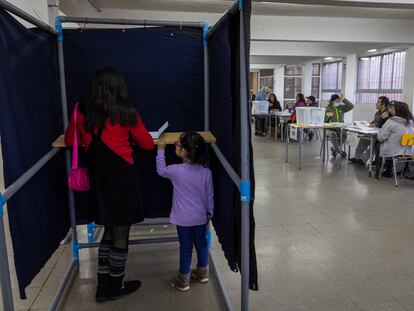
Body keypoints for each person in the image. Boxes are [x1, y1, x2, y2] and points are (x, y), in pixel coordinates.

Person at [65, 66, 154, 302]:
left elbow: (68, 140)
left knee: (107, 230)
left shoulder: (80, 111)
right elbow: (147, 144)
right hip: (123, 180)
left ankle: (102, 288)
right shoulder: (126, 113)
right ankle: (116, 287)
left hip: (98, 182)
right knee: (121, 233)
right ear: (119, 87)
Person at [156, 132, 214, 292]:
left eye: (179, 144)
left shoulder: (176, 170)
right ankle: (203, 273)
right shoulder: (206, 172)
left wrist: (160, 149)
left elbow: (160, 170)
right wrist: (210, 212)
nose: (176, 145)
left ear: (183, 152)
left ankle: (183, 280)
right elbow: (210, 195)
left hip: (183, 219)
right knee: (202, 244)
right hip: (201, 217)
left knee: (186, 247)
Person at [377, 101, 414, 178]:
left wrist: (385, 119)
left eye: (391, 108)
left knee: (377, 144)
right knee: (391, 143)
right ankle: (395, 169)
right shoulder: (410, 122)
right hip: (408, 151)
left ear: (396, 110)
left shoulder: (391, 121)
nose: (389, 110)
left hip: (393, 151)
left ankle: (380, 170)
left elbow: (380, 138)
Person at [350, 96, 389, 165]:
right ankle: (357, 157)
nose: (376, 104)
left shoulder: (387, 114)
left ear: (384, 104)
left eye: (378, 102)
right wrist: (367, 124)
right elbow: (374, 122)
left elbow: (386, 126)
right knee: (363, 139)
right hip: (373, 132)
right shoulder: (377, 113)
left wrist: (376, 125)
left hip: (381, 135)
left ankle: (363, 160)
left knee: (373, 143)